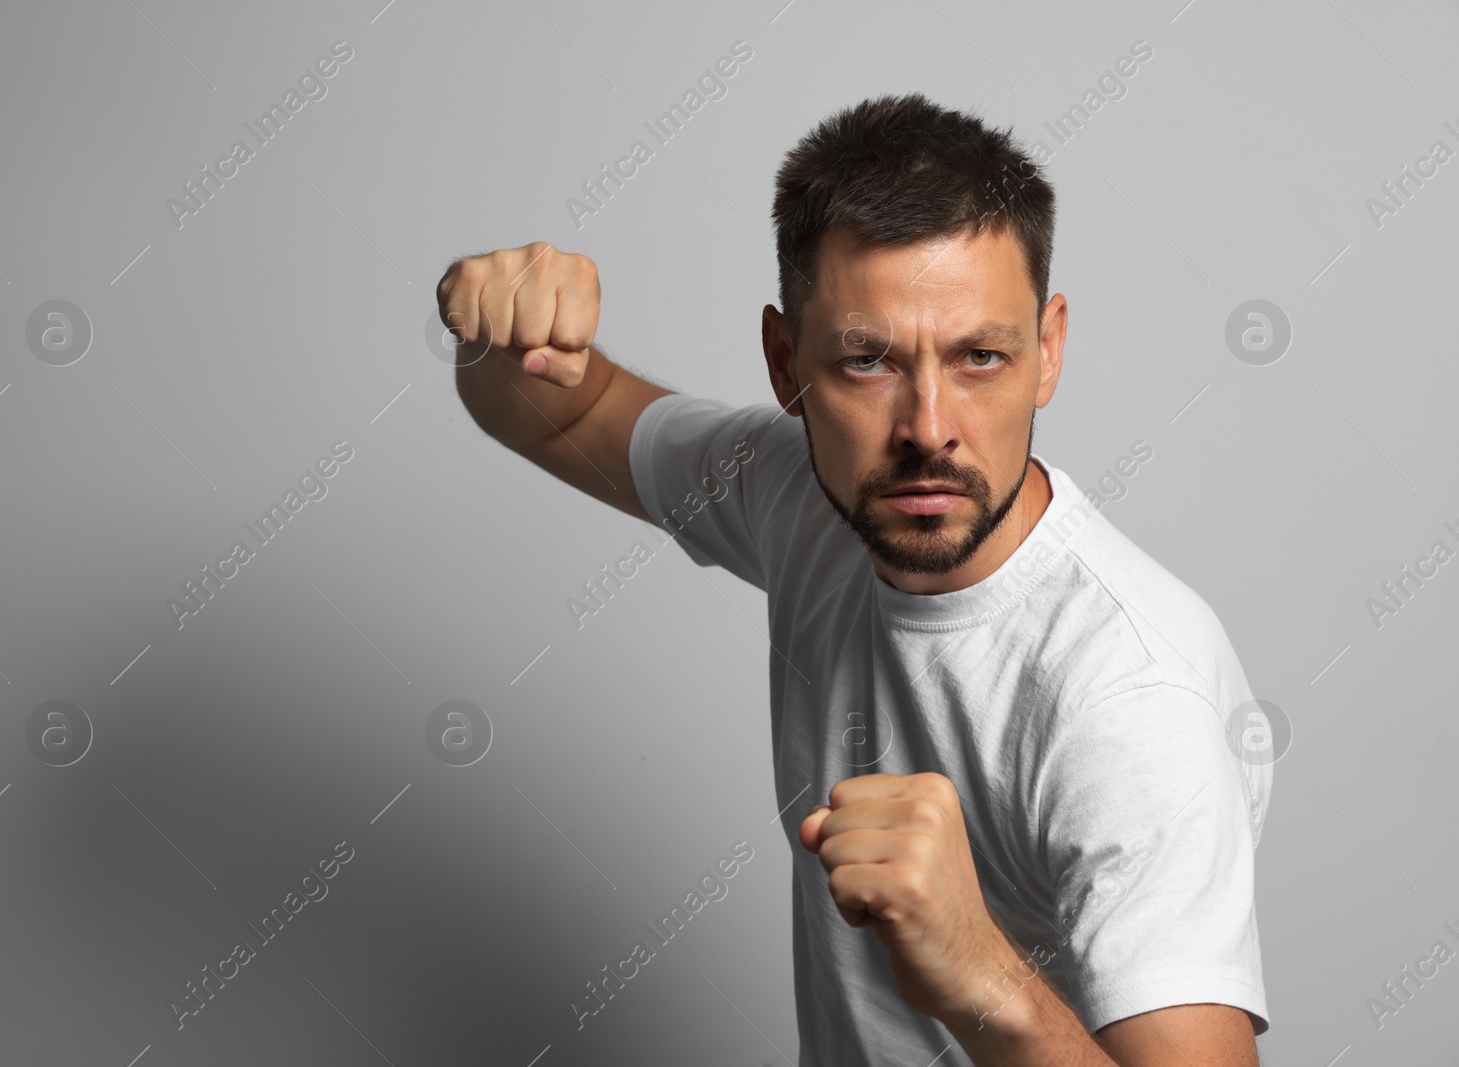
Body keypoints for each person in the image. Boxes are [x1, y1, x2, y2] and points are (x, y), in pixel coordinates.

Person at [442, 92, 1270, 1067]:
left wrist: (984, 979)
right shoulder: (794, 492)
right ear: (785, 362)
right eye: (867, 360)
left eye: (979, 357)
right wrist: (498, 330)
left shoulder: (1131, 693)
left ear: (1046, 351)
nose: (927, 425)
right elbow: (551, 413)